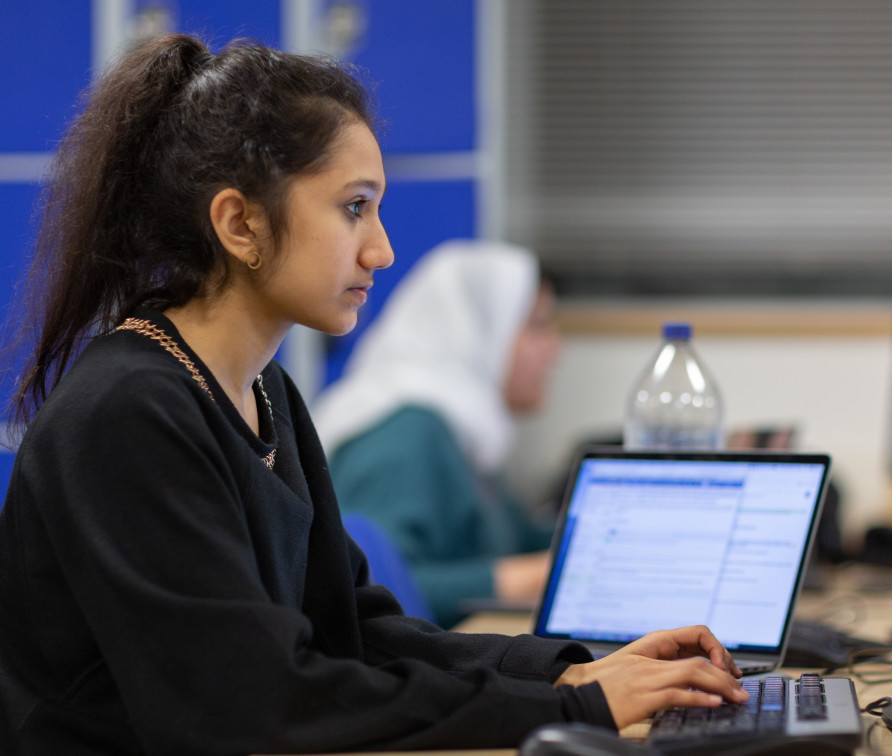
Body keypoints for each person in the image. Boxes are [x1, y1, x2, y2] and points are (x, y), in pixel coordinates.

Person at [0, 33, 747, 756]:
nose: (382, 249)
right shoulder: (130, 412)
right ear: (239, 223)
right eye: (354, 207)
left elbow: (354, 629)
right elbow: (255, 704)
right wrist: (571, 707)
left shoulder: (262, 388)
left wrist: (567, 670)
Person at [312, 239, 560, 627]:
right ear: (479, 330)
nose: (554, 348)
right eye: (536, 326)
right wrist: (525, 578)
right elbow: (375, 584)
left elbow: (517, 535)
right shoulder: (407, 432)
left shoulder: (465, 429)